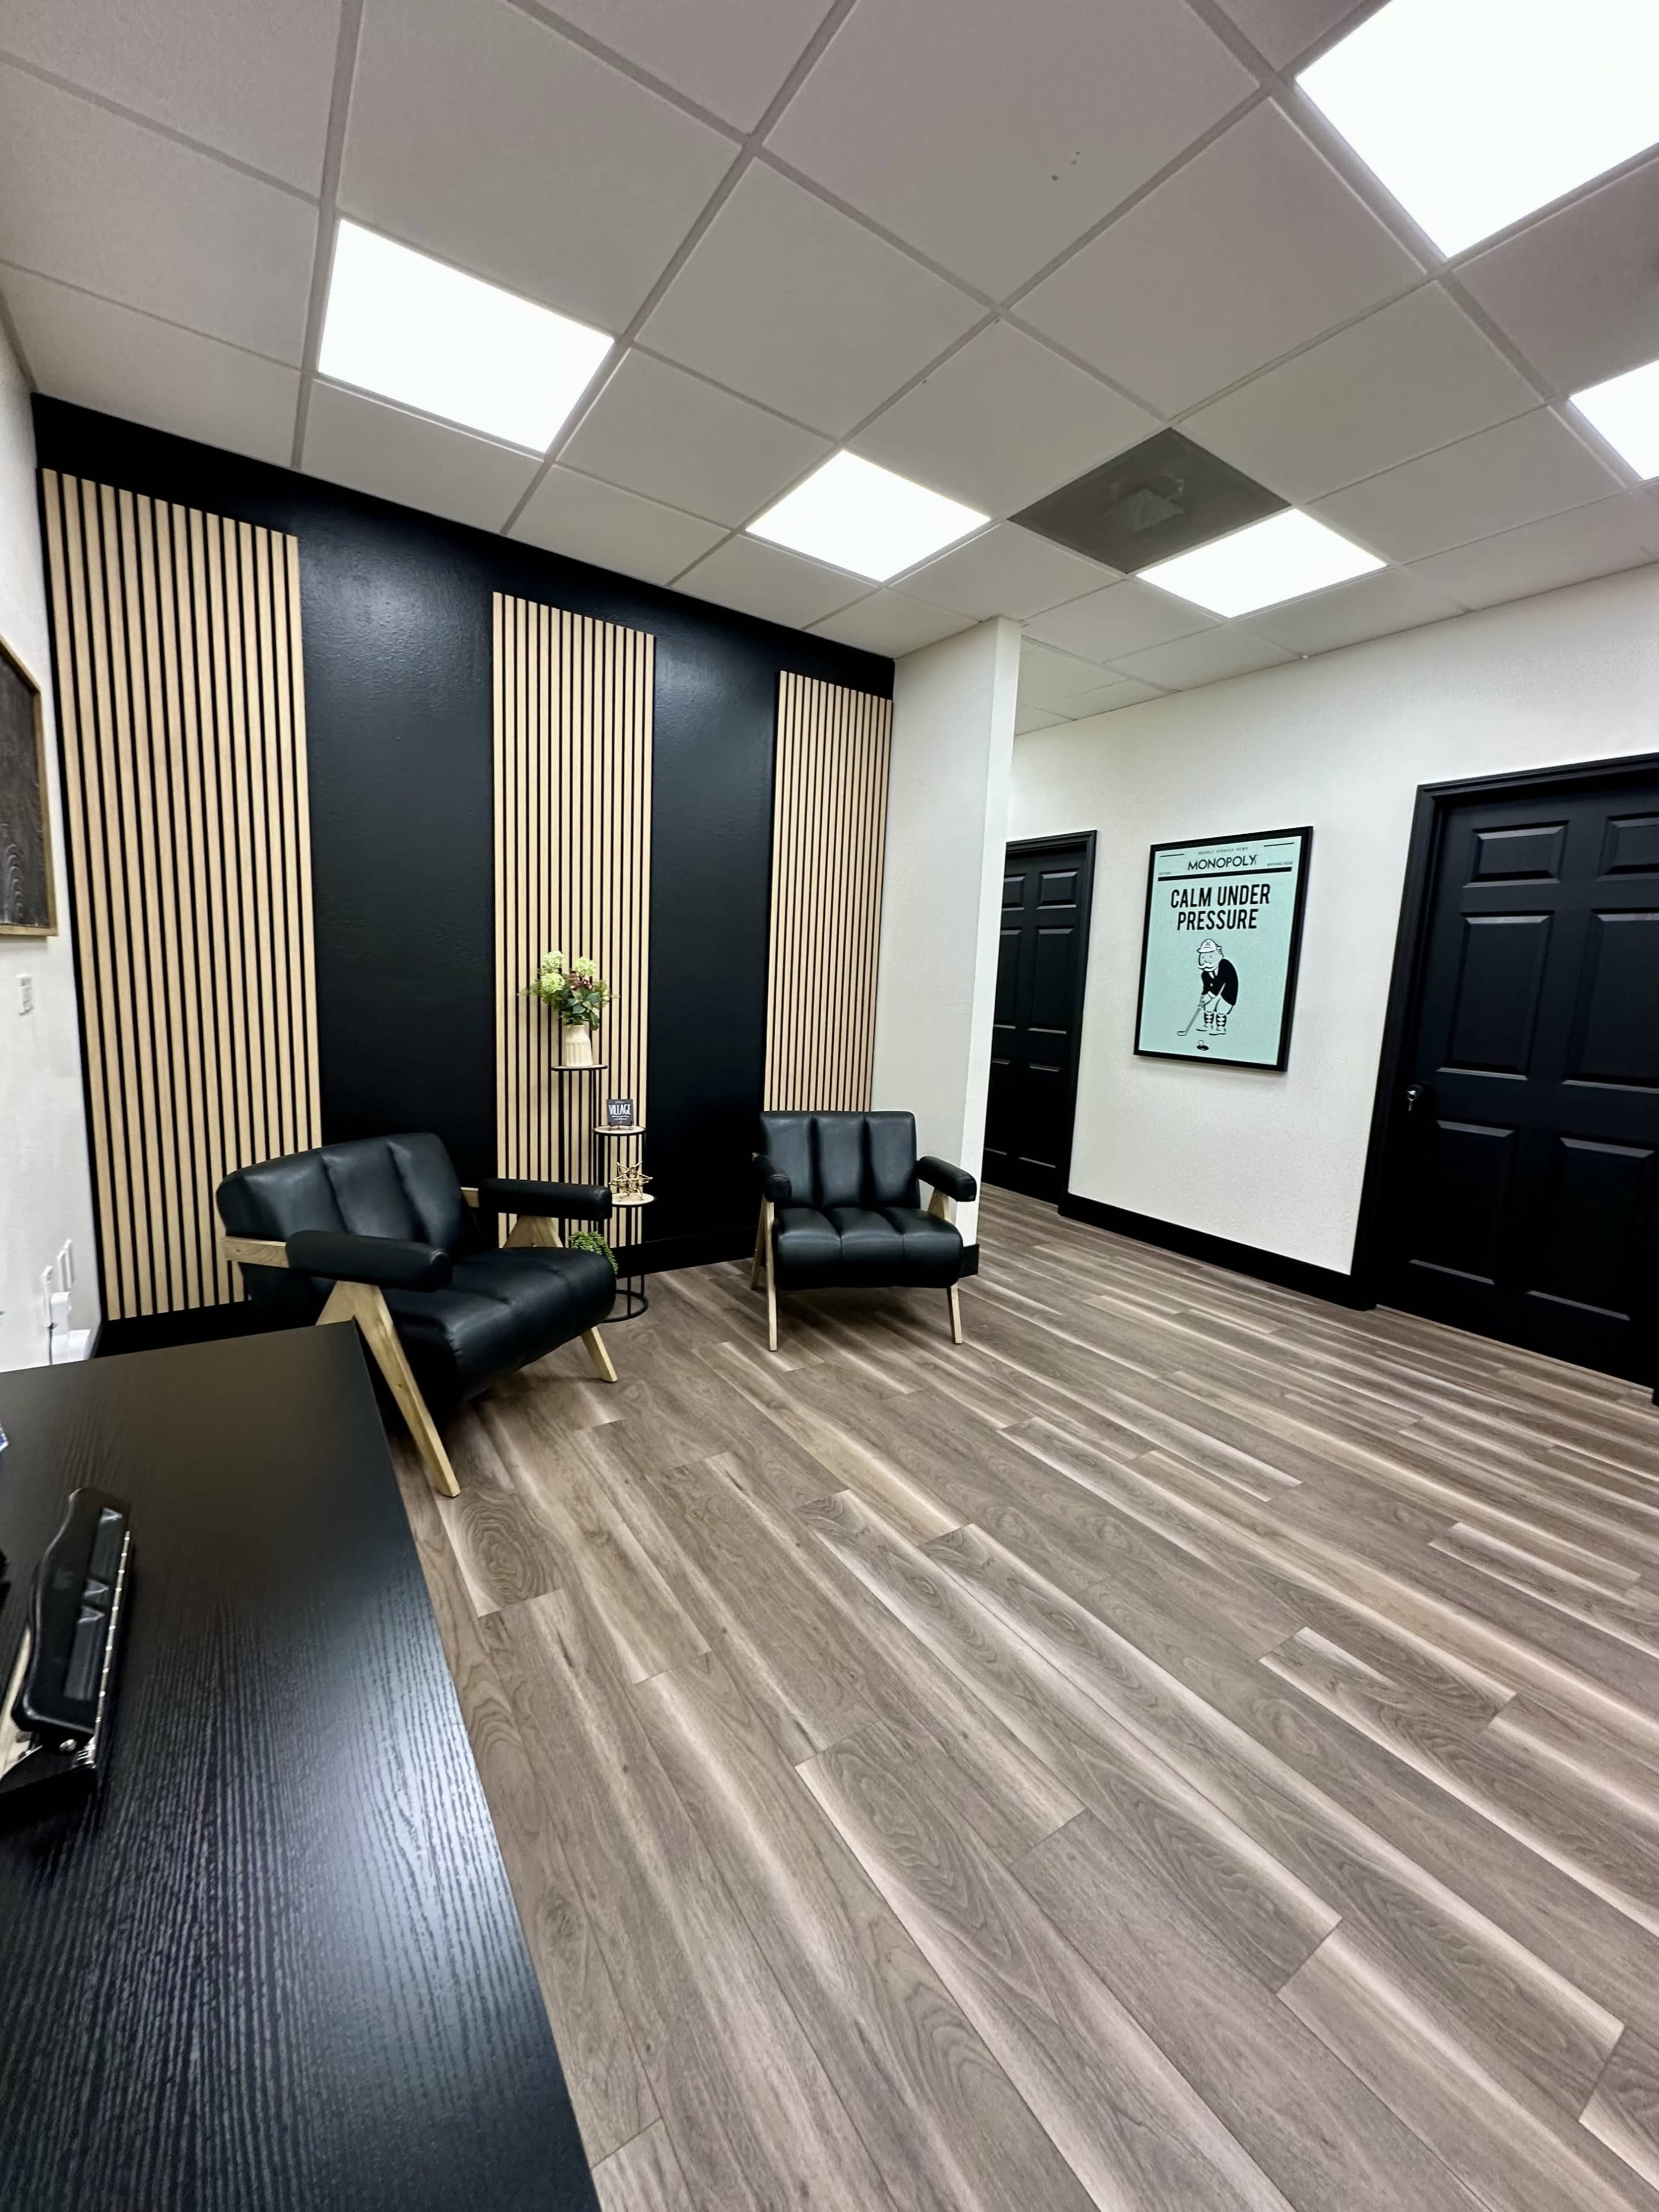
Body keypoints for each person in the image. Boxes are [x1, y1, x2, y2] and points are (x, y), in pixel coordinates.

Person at [1198, 937, 1238, 1033]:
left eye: (1210, 957)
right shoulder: (1205, 973)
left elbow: (1220, 982)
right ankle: (1208, 1025)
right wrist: (1203, 998)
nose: (1206, 961)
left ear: (1218, 955)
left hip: (1227, 994)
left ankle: (1221, 1028)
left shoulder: (1225, 964)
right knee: (1208, 1007)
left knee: (1221, 1010)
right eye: (1203, 957)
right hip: (1215, 994)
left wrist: (1210, 996)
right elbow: (1207, 987)